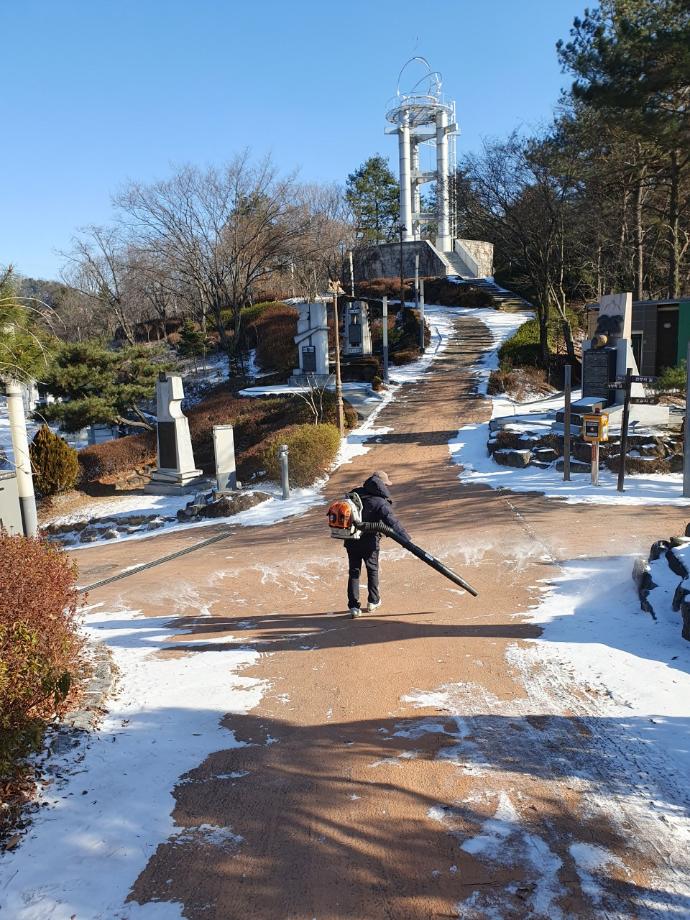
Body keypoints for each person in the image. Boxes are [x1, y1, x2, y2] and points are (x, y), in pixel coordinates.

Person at [344, 470, 411, 618]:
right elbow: (392, 522)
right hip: (370, 541)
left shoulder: (354, 494)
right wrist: (406, 539)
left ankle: (353, 607)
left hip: (351, 539)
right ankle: (373, 601)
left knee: (354, 572)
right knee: (372, 569)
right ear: (382, 485)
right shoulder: (380, 502)